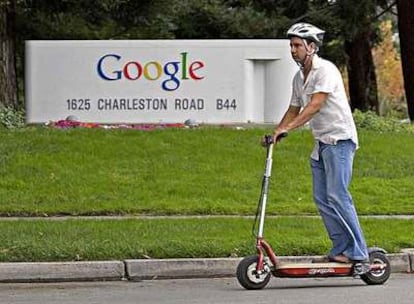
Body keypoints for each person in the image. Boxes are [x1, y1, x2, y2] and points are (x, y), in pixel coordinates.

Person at [273, 22, 369, 272]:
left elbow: (315, 105)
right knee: (322, 199)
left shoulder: (325, 70)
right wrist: (276, 132)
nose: (292, 50)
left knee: (338, 195)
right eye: (291, 45)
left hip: (339, 140)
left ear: (312, 47)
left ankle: (359, 252)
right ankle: (340, 250)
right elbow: (293, 108)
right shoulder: (299, 77)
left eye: (297, 45)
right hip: (322, 142)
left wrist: (289, 128)